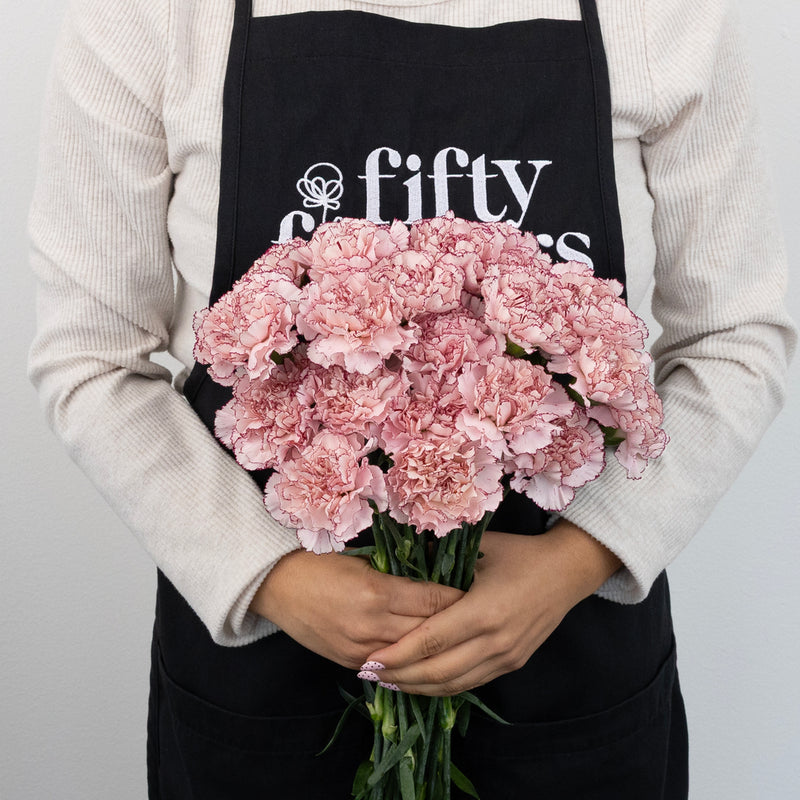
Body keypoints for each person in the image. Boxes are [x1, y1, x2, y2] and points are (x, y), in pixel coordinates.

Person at [28, 1, 795, 797]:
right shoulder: (150, 18)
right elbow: (93, 358)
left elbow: (735, 338)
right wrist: (265, 574)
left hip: (566, 666)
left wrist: (582, 556)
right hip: (266, 679)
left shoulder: (662, 17)